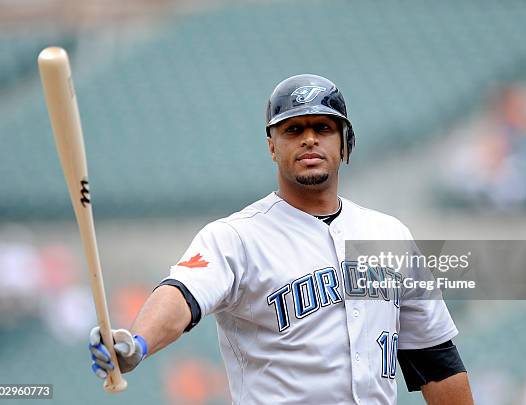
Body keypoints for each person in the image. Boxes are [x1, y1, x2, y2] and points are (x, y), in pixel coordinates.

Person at [88, 74, 473, 404]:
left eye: (322, 128)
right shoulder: (237, 236)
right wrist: (137, 343)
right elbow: (182, 294)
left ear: (344, 144)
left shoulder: (389, 235)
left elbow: (436, 361)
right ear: (272, 146)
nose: (309, 139)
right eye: (293, 130)